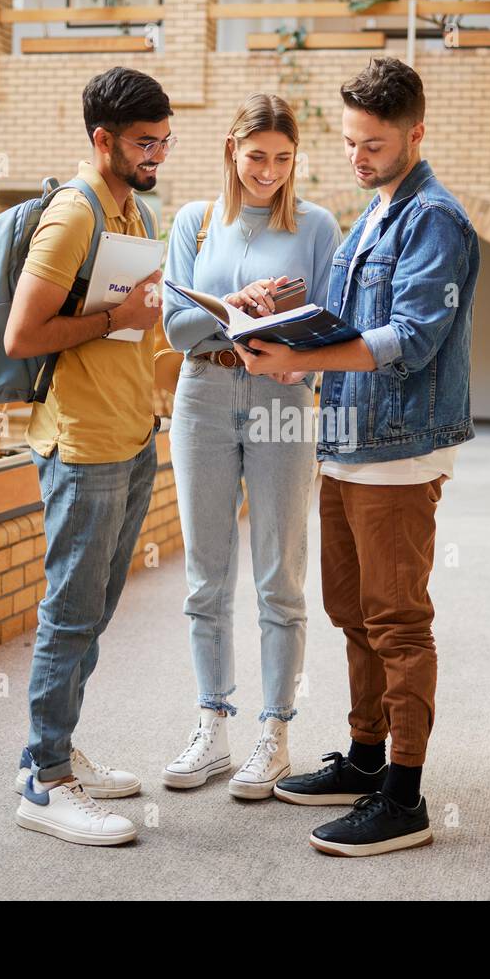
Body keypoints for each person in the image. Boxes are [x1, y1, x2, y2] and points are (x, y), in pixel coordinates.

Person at [236, 58, 480, 856]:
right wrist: (287, 320)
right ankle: (368, 757)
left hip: (397, 452)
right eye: (348, 142)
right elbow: (349, 323)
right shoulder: (374, 212)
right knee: (353, 614)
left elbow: (410, 338)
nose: (358, 156)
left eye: (373, 144)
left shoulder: (434, 219)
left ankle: (403, 797)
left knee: (398, 623)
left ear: (417, 131)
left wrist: (302, 360)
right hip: (343, 442)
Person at [3, 67, 173, 847]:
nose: (157, 155)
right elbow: (22, 336)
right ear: (101, 139)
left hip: (130, 434)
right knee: (70, 613)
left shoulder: (130, 207)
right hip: (82, 443)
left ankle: (56, 747)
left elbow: (136, 322)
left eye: (165, 142)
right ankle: (44, 782)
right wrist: (114, 318)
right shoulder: (73, 214)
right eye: (144, 143)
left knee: (96, 610)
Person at [161, 93, 341, 799]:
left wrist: (294, 348)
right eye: (257, 155)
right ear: (233, 150)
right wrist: (244, 307)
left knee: (279, 576)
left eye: (283, 158)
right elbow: (176, 329)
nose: (268, 170)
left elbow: (333, 329)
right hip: (201, 395)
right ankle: (212, 726)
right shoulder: (193, 222)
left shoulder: (318, 226)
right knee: (206, 576)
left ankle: (275, 732)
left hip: (283, 400)